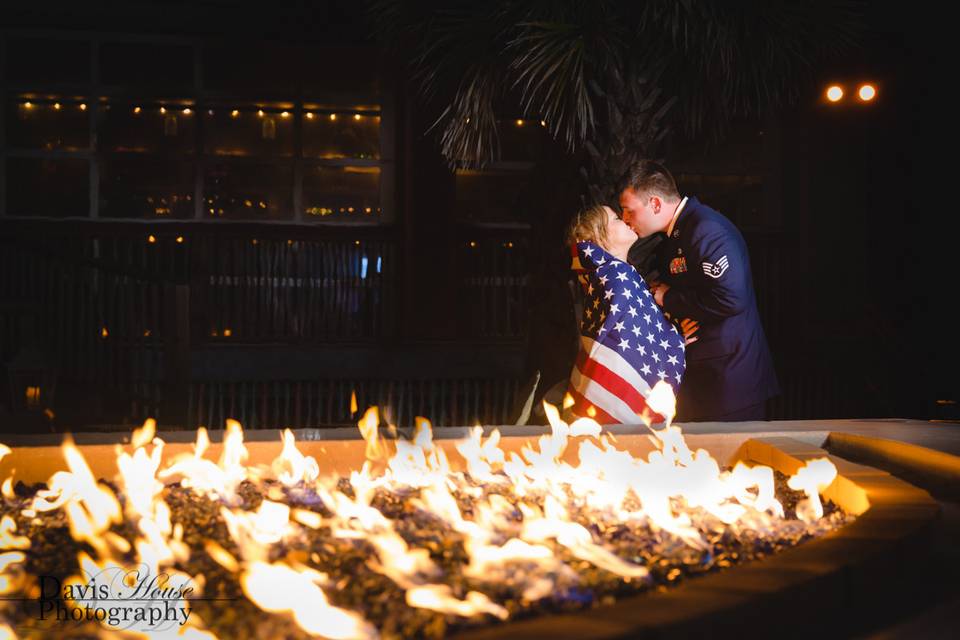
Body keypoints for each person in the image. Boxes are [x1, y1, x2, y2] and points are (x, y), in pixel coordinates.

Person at [618, 160, 779, 421]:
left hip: (730, 380)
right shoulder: (683, 230)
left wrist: (668, 297)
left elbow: (730, 299)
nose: (625, 219)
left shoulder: (706, 229)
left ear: (655, 203)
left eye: (628, 210)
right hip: (708, 378)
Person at [564, 204, 698, 423]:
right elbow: (629, 339)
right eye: (616, 219)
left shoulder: (611, 275)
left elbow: (631, 330)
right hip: (614, 409)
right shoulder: (617, 276)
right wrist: (674, 340)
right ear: (599, 237)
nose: (625, 220)